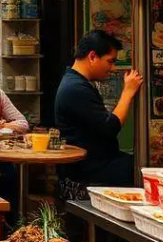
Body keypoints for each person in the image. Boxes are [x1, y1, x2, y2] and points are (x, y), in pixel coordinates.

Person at [54, 30, 143, 187]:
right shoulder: (76, 87)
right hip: (89, 170)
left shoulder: (75, 82)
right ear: (92, 56)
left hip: (96, 163)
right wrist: (128, 92)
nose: (113, 68)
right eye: (110, 61)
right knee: (142, 168)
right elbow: (111, 126)